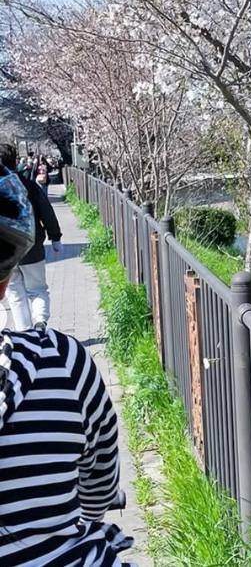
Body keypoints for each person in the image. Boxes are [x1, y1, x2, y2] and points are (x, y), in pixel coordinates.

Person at [0, 163, 135, 567]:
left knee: (28, 297)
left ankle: (23, 322)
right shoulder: (63, 362)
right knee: (37, 291)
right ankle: (32, 329)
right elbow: (100, 474)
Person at [0, 144, 62, 332]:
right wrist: (55, 237)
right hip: (31, 248)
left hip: (5, 253)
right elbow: (46, 212)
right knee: (37, 289)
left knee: (15, 294)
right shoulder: (28, 186)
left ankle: (25, 332)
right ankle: (40, 322)